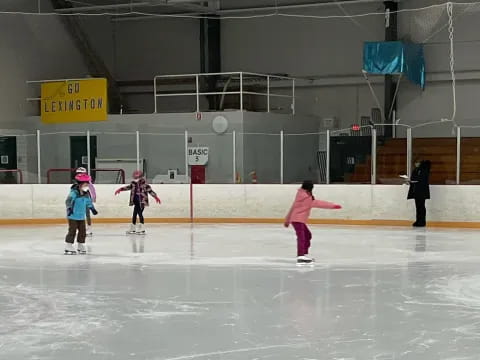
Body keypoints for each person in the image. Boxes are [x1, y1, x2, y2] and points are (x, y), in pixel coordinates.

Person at [284, 180, 342, 265]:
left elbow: (293, 207)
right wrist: (333, 206)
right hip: (298, 220)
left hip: (297, 220)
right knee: (302, 237)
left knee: (307, 235)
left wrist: (287, 219)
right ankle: (301, 256)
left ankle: (303, 254)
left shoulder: (300, 195)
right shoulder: (307, 198)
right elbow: (318, 203)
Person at [115, 170, 161, 235]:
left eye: (137, 175)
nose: (136, 177)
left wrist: (156, 197)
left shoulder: (144, 184)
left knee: (139, 213)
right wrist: (120, 189)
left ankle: (142, 228)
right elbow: (128, 187)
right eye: (135, 175)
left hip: (142, 201)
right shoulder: (133, 183)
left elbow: (150, 191)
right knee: (134, 214)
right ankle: (133, 228)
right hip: (135, 201)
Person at [65, 174, 98, 254]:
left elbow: (88, 202)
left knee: (82, 231)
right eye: (86, 184)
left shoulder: (86, 194)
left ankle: (80, 245)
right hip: (73, 216)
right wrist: (69, 209)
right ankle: (68, 245)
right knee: (72, 230)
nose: (87, 185)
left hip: (81, 217)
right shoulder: (74, 193)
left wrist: (92, 208)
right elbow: (68, 201)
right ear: (80, 184)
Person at [407, 160, 431, 227]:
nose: (416, 164)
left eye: (417, 162)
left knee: (421, 207)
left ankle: (421, 221)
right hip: (417, 191)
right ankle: (419, 221)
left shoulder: (423, 170)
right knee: (419, 207)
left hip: (421, 191)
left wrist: (413, 181)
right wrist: (411, 181)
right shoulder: (417, 170)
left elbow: (420, 180)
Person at [74, 167, 97, 236]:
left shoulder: (87, 182)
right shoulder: (78, 182)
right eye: (78, 173)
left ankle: (89, 229)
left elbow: (92, 189)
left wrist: (93, 197)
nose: (79, 175)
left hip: (85, 200)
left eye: (80, 173)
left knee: (87, 214)